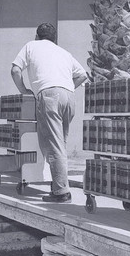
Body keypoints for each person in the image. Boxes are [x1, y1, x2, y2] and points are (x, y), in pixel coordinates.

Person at [11, 23, 87, 203]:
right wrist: (66, 88)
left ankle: (62, 193)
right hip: (69, 96)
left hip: (49, 95)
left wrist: (24, 90)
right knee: (61, 143)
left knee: (53, 146)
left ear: (37, 36)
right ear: (54, 39)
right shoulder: (63, 52)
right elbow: (83, 75)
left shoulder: (31, 46)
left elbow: (15, 70)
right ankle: (58, 184)